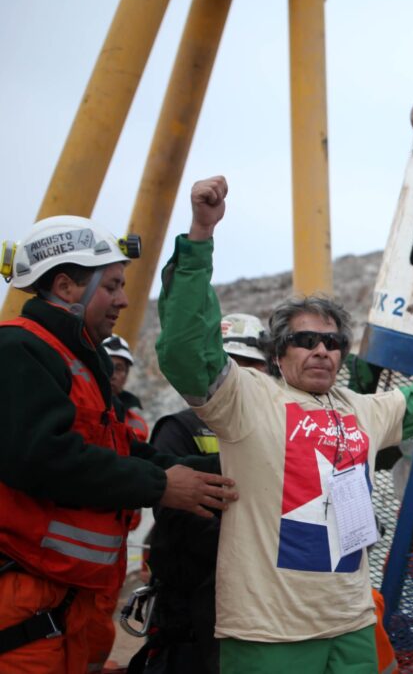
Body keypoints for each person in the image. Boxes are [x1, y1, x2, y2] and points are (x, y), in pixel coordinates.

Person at [156, 176, 413, 674]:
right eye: (306, 340)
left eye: (332, 342)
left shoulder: (359, 408)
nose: (321, 349)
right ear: (277, 352)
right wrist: (201, 235)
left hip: (352, 625)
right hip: (269, 633)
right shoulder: (247, 399)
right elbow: (186, 351)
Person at [0, 215, 237, 673]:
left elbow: (124, 450)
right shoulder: (18, 351)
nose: (124, 300)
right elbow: (44, 458)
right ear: (67, 287)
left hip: (70, 604)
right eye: (111, 286)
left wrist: (224, 469)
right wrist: (160, 485)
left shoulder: (80, 362)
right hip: (26, 604)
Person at [143, 312, 270, 674]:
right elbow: (177, 517)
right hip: (197, 611)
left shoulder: (277, 432)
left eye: (254, 365)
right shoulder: (179, 428)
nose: (246, 375)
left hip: (263, 606)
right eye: (236, 364)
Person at [103, 333, 151, 440]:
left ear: (126, 376)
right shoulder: (78, 405)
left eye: (119, 368)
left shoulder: (138, 424)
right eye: (107, 366)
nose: (112, 375)